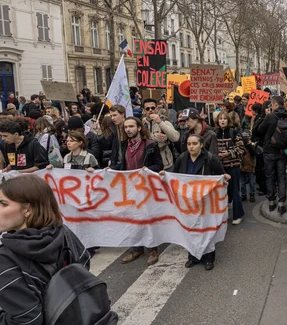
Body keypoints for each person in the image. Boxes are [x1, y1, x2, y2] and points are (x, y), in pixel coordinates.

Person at [0, 176, 92, 325]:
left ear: (27, 210)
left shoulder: (6, 258)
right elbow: (84, 264)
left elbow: (27, 319)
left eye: (3, 204)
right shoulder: (63, 232)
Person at [168, 134, 230, 270]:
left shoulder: (210, 158)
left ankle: (208, 258)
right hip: (187, 201)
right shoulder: (182, 158)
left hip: (205, 201)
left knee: (205, 228)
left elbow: (221, 174)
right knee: (190, 228)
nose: (191, 146)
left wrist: (224, 177)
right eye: (189, 144)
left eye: (194, 144)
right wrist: (163, 176)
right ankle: (193, 257)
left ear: (201, 145)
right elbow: (174, 175)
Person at [113, 117, 164, 265]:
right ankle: (137, 248)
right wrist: (109, 170)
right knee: (132, 218)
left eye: (131, 126)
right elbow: (120, 164)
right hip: (129, 188)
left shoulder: (149, 145)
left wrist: (147, 170)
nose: (128, 129)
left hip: (146, 189)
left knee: (147, 218)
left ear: (139, 128)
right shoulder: (123, 146)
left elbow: (159, 165)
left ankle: (152, 249)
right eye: (126, 127)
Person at [255, 95, 287, 213]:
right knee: (281, 177)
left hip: (269, 151)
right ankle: (281, 203)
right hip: (282, 151)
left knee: (269, 176)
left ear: (275, 105)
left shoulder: (270, 117)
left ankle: (271, 202)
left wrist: (264, 116)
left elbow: (258, 130)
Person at [215, 111, 245, 225]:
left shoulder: (235, 132)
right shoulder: (214, 133)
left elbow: (241, 149)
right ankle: (223, 215)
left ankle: (238, 215)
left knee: (235, 190)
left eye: (224, 119)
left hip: (233, 166)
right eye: (220, 118)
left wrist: (227, 153)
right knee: (221, 192)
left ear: (228, 121)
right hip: (220, 168)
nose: (222, 120)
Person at [142, 98, 180, 171]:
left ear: (156, 109)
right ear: (144, 111)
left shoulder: (164, 122)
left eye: (152, 108)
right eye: (147, 108)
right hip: (148, 163)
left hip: (165, 163)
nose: (150, 110)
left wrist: (160, 122)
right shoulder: (142, 124)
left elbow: (176, 137)